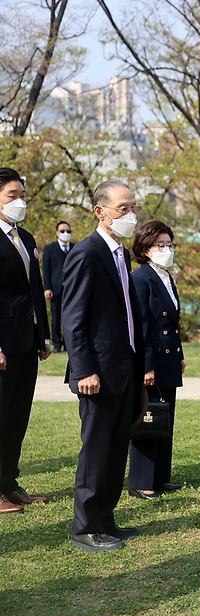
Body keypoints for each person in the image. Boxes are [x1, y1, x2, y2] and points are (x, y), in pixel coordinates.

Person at [62, 179, 145, 552]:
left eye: (133, 208)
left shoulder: (121, 254)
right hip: (97, 372)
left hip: (123, 368)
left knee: (115, 448)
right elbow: (73, 319)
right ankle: (86, 527)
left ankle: (106, 519)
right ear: (101, 211)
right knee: (96, 451)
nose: (130, 215)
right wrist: (84, 370)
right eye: (123, 209)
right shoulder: (86, 253)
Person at [0, 167, 52, 514]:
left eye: (22, 195)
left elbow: (36, 289)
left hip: (28, 340)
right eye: (11, 196)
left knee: (17, 418)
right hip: (4, 343)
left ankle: (9, 484)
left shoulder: (28, 238)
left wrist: (43, 334)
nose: (20, 202)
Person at [129, 220, 185, 498]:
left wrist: (180, 356)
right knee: (147, 417)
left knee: (164, 418)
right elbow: (141, 327)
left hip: (169, 358)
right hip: (151, 360)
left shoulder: (167, 276)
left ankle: (161, 477)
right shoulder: (140, 278)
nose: (166, 249)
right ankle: (141, 481)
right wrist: (146, 365)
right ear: (145, 248)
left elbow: (173, 323)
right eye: (160, 245)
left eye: (169, 244)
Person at [42, 220, 74, 353]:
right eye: (62, 231)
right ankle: (56, 344)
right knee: (55, 318)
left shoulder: (75, 248)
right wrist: (47, 287)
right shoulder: (49, 249)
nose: (65, 233)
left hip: (71, 289)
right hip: (55, 289)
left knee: (71, 317)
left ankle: (68, 344)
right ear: (57, 233)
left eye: (68, 231)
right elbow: (46, 269)